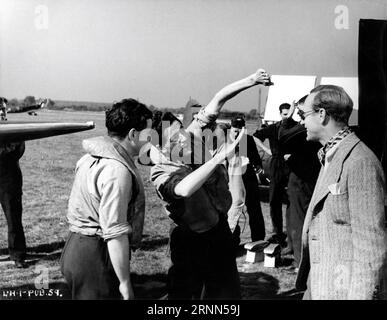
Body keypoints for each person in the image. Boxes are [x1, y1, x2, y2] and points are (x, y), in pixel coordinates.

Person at [150, 69, 272, 299]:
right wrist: (218, 157)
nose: (181, 138)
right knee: (184, 296)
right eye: (173, 137)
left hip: (218, 233)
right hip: (190, 240)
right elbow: (184, 188)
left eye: (180, 132)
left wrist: (251, 80)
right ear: (160, 144)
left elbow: (218, 99)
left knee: (225, 296)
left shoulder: (191, 138)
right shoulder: (161, 170)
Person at [295, 85, 387, 300]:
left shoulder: (360, 162)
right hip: (320, 283)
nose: (301, 122)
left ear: (321, 114)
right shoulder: (331, 154)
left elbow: (371, 249)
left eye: (304, 115)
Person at [60, 98, 152, 300]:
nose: (150, 138)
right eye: (148, 133)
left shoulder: (88, 158)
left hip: (75, 248)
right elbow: (114, 232)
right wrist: (125, 283)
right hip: (95, 256)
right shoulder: (117, 170)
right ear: (133, 134)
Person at [278, 96, 321, 266]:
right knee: (295, 218)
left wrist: (288, 119)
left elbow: (284, 138)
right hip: (303, 178)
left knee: (299, 221)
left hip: (302, 178)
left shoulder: (302, 131)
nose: (302, 120)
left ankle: (300, 261)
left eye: (303, 114)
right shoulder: (308, 131)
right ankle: (297, 254)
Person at [253, 103, 297, 247]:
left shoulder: (296, 127)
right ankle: (278, 233)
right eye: (284, 114)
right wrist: (267, 150)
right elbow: (256, 137)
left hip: (292, 165)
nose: (287, 116)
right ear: (280, 114)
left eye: (289, 113)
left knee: (293, 200)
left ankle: (292, 234)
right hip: (276, 164)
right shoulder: (273, 128)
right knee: (274, 200)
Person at [227, 116, 265, 245]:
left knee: (254, 208)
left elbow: (256, 159)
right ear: (230, 127)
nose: (237, 132)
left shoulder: (247, 139)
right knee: (232, 209)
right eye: (235, 129)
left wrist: (258, 168)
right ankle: (232, 239)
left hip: (247, 176)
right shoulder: (224, 140)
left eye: (240, 129)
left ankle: (258, 239)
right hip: (231, 177)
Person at [0, 138, 27, 268]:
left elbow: (18, 150)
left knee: (13, 218)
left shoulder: (13, 133)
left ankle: (18, 255)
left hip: (9, 177)